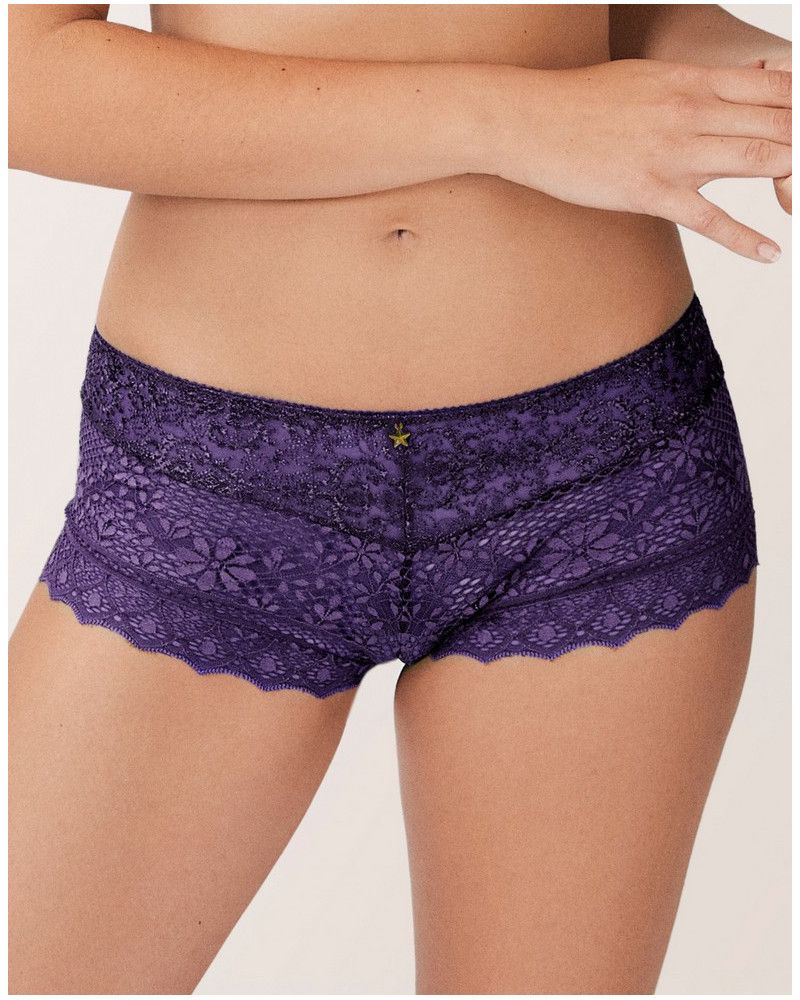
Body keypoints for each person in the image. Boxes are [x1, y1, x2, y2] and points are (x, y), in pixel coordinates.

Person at [8, 4, 791, 994]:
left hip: (603, 480)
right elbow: (24, 79)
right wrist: (503, 121)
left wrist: (762, 92)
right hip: (216, 485)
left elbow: (596, 21)